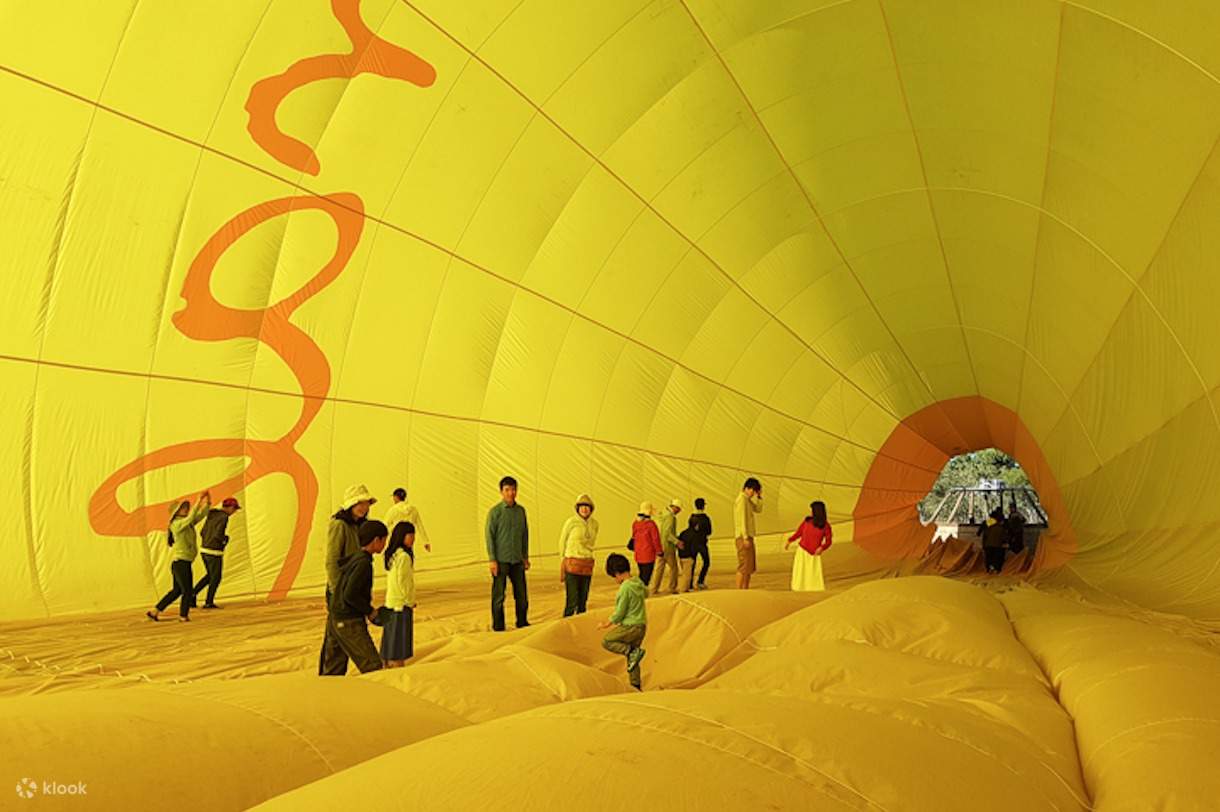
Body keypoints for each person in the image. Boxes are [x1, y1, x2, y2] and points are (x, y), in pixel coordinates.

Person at [319, 520, 387, 675]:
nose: (384, 544)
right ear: (377, 540)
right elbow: (350, 594)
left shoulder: (354, 559)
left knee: (333, 669)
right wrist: (369, 611)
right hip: (348, 620)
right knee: (373, 666)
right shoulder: (364, 564)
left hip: (335, 618)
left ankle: (328, 696)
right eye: (384, 540)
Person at [147, 491, 210, 622]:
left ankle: (155, 611)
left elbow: (200, 515)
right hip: (181, 563)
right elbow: (192, 516)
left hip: (183, 563)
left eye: (187, 507)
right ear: (176, 512)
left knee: (177, 591)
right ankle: (183, 615)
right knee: (187, 590)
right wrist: (198, 501)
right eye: (183, 508)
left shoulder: (186, 523)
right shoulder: (177, 524)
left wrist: (207, 501)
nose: (186, 509)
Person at [598, 553, 648, 691]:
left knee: (607, 641)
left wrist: (606, 624)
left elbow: (620, 613)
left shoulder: (625, 588)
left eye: (614, 577)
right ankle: (636, 686)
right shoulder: (637, 581)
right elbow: (646, 593)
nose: (615, 580)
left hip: (630, 626)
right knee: (633, 660)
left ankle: (630, 651)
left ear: (617, 573)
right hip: (641, 626)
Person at [486, 476, 530, 631]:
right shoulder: (495, 512)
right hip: (501, 560)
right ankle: (498, 626)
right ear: (501, 492)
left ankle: (522, 622)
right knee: (499, 596)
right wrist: (492, 560)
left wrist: (525, 556)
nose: (510, 493)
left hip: (517, 560)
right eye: (507, 490)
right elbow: (489, 536)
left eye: (513, 489)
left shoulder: (521, 511)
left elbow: (525, 534)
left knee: (522, 595)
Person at [192, 497, 241, 609]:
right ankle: (209, 602)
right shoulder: (224, 517)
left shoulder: (212, 514)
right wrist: (224, 540)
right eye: (234, 509)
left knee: (210, 576)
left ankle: (192, 594)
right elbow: (218, 534)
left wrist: (207, 541)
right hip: (214, 551)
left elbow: (202, 532)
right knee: (216, 577)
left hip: (204, 550)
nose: (234, 512)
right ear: (230, 507)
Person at [381, 521, 417, 667]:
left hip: (391, 602)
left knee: (389, 644)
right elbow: (404, 583)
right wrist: (409, 601)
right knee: (398, 648)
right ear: (402, 536)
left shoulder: (393, 555)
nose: (413, 539)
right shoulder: (404, 557)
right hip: (400, 605)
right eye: (410, 535)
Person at [559, 494, 598, 617]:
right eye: (582, 506)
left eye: (587, 506)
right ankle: (566, 627)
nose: (584, 509)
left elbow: (592, 542)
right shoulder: (571, 522)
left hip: (586, 564)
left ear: (591, 509)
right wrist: (563, 560)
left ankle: (581, 629)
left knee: (583, 600)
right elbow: (562, 541)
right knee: (572, 600)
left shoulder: (595, 524)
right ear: (577, 508)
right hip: (572, 563)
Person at [785, 501, 832, 592]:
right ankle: (798, 589)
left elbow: (829, 541)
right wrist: (789, 540)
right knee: (800, 572)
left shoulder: (826, 526)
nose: (810, 512)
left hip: (814, 554)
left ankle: (814, 591)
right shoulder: (807, 521)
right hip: (802, 551)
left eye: (812, 510)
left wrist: (822, 547)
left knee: (813, 573)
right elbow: (799, 533)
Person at [733, 477, 764, 589]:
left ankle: (745, 589)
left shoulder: (747, 500)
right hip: (743, 536)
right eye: (752, 491)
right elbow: (742, 520)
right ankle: (739, 590)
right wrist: (745, 537)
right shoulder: (741, 499)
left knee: (749, 566)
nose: (753, 494)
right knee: (743, 565)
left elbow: (758, 509)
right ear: (746, 488)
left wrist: (759, 497)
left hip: (748, 536)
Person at [383, 487, 431, 553]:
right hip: (410, 539)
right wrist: (426, 541)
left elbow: (384, 525)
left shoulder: (393, 510)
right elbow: (420, 526)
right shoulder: (413, 509)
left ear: (396, 497)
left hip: (396, 539)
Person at [651, 498, 683, 596]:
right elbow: (667, 533)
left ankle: (653, 589)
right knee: (674, 568)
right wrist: (677, 542)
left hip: (660, 546)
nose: (679, 512)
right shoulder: (670, 517)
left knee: (659, 568)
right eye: (679, 509)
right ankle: (672, 588)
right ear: (676, 508)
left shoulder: (662, 514)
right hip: (668, 547)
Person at [630, 502, 662, 587]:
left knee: (642, 574)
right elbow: (655, 539)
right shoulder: (651, 525)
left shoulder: (635, 524)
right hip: (649, 554)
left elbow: (633, 536)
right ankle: (641, 592)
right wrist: (659, 551)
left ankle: (640, 590)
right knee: (647, 576)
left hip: (638, 554)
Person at [688, 498, 713, 590]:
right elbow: (709, 531)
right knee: (706, 562)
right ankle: (700, 581)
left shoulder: (691, 518)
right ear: (703, 506)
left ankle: (689, 583)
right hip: (702, 543)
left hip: (692, 544)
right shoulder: (706, 518)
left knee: (692, 564)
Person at [979, 506, 1007, 574]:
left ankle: (989, 569)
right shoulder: (1000, 526)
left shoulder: (988, 524)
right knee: (997, 558)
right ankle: (996, 569)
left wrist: (983, 544)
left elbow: (981, 533)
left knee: (989, 558)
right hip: (997, 545)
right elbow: (1004, 537)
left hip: (988, 544)